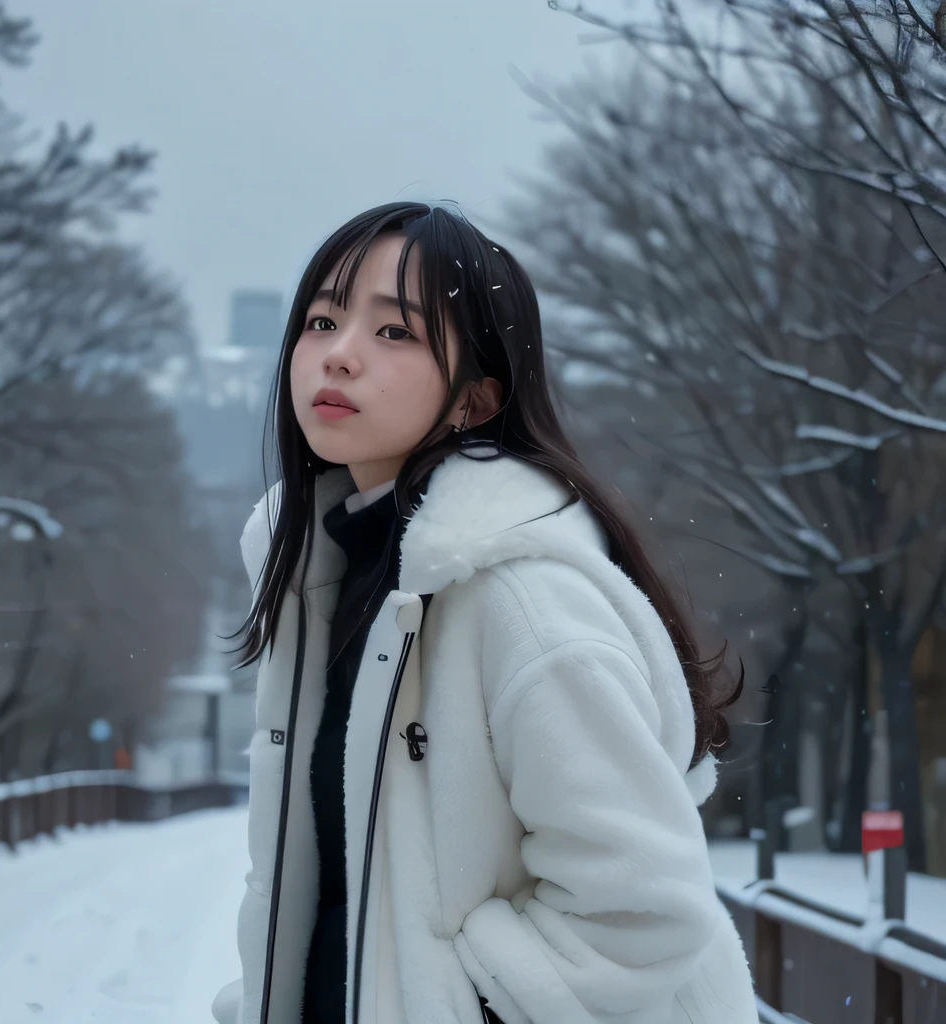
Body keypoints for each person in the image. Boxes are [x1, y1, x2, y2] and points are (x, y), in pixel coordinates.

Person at [212, 201, 757, 1024]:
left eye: (394, 332)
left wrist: (454, 1004)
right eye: (322, 320)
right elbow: (333, 886)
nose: (340, 355)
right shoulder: (326, 578)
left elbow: (641, 909)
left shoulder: (519, 594)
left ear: (475, 399)